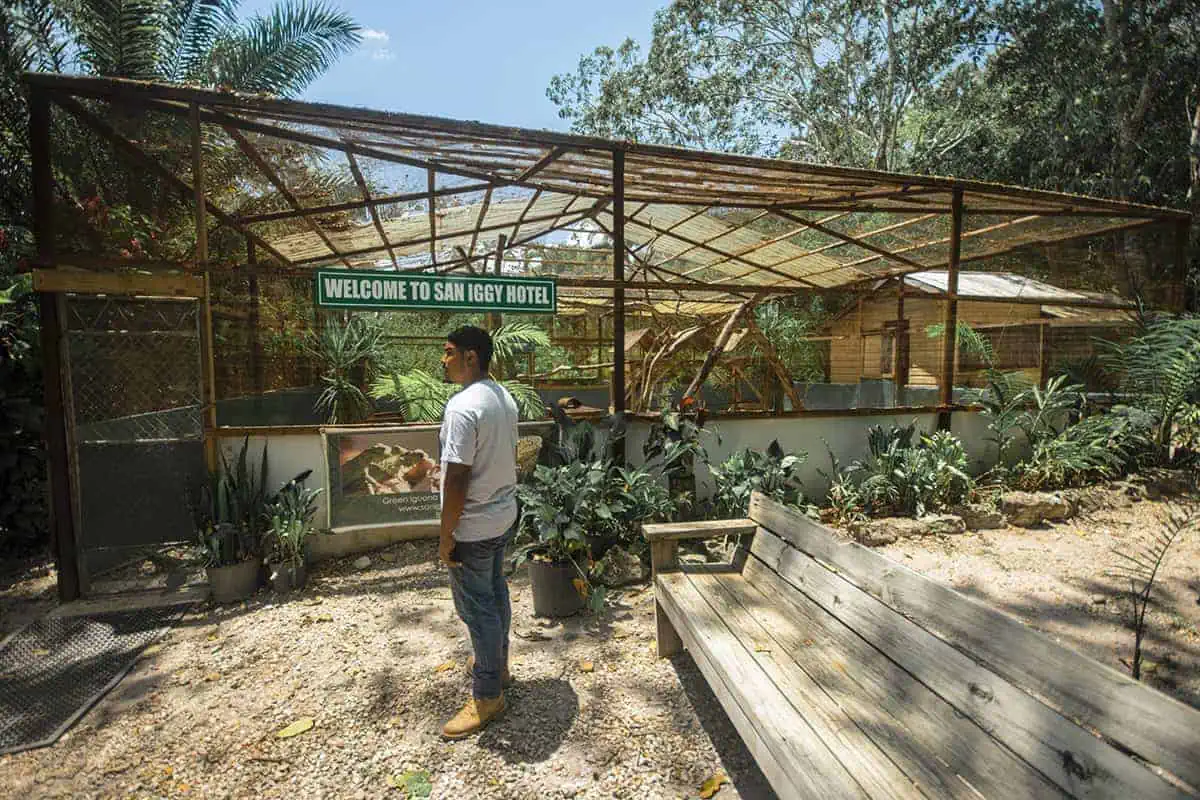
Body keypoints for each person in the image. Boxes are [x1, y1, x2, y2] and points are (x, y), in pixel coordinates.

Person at [437, 325, 519, 740]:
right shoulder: (503, 397)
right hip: (502, 516)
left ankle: (488, 695)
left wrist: (445, 535)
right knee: (495, 591)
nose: (443, 360)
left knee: (477, 609)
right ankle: (497, 667)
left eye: (449, 352)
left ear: (471, 357)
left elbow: (456, 478)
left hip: (473, 527)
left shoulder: (462, 407)